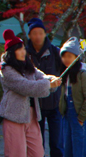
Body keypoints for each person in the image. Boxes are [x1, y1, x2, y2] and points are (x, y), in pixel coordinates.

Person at [0, 29, 62, 157]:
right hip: (13, 116)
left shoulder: (27, 65)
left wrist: (51, 79)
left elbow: (41, 76)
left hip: (31, 116)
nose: (23, 52)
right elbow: (26, 86)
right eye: (19, 49)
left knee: (37, 153)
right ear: (11, 52)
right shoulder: (6, 70)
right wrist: (48, 84)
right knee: (16, 153)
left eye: (23, 49)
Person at [25, 17, 64, 157]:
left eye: (41, 33)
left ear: (45, 34)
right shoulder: (25, 53)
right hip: (35, 106)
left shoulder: (55, 52)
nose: (38, 36)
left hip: (54, 104)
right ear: (29, 35)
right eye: (34, 33)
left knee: (57, 144)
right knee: (36, 145)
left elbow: (66, 66)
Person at [58, 37, 86, 157]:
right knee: (67, 152)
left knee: (79, 152)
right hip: (67, 118)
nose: (66, 59)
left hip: (80, 117)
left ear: (77, 57)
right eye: (64, 56)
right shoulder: (65, 75)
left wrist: (81, 118)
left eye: (70, 56)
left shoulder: (83, 75)